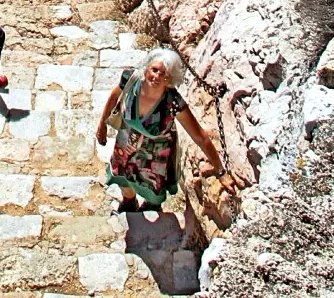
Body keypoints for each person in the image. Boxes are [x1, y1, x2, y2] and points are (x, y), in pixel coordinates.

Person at [96, 48, 235, 212]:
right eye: (154, 70)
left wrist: (221, 172)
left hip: (155, 155)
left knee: (152, 193)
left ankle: (150, 207)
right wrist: (102, 125)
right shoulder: (131, 80)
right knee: (124, 179)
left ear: (171, 79)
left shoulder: (173, 102)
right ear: (146, 68)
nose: (157, 77)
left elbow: (200, 137)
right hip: (126, 144)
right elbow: (114, 96)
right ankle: (129, 202)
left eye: (164, 74)